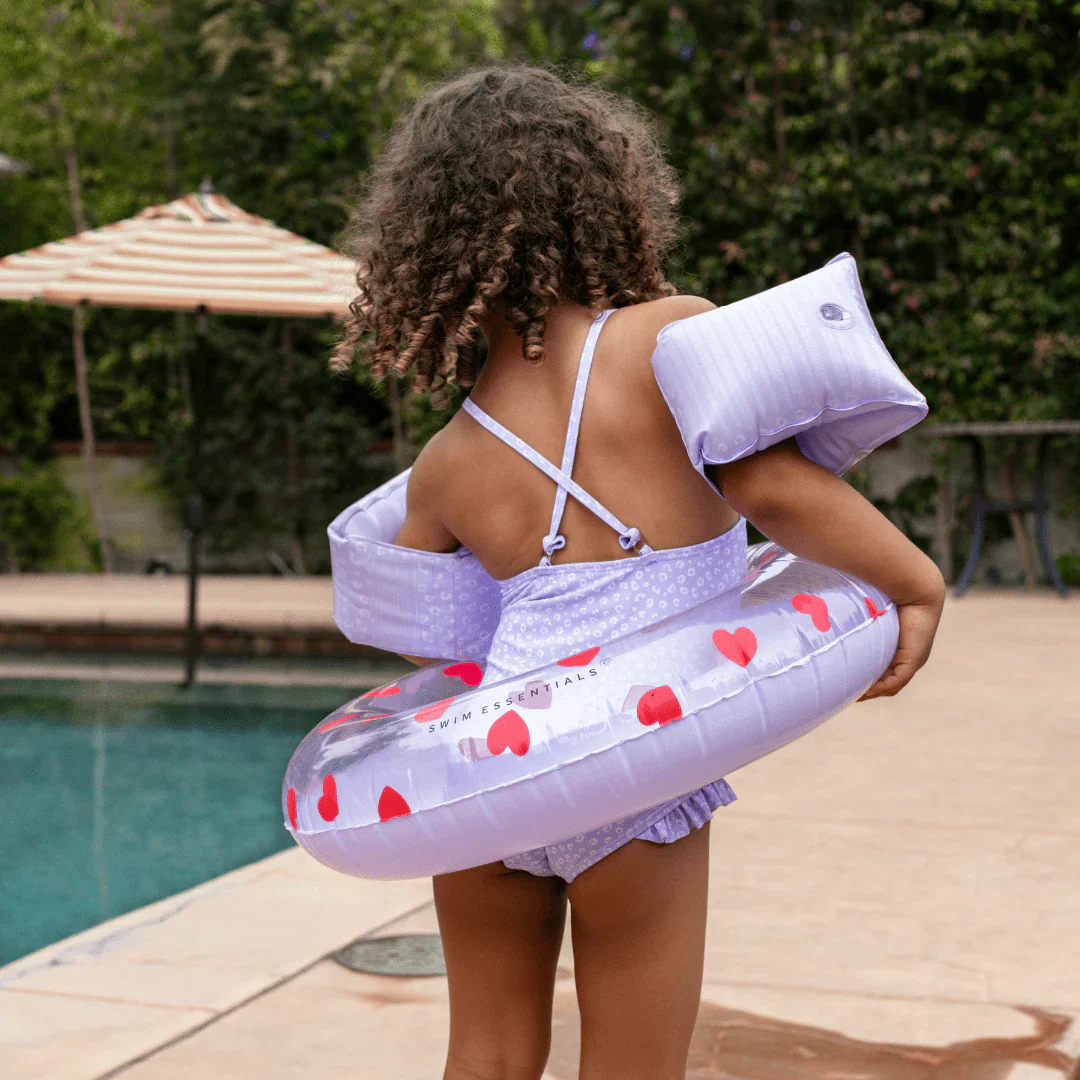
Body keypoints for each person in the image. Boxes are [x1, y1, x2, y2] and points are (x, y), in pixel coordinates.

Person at [333, 64, 945, 1080]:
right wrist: (916, 582)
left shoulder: (445, 465)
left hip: (491, 772)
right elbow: (773, 490)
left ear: (431, 249)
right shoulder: (667, 339)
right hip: (632, 768)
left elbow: (430, 650)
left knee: (484, 1056)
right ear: (606, 201)